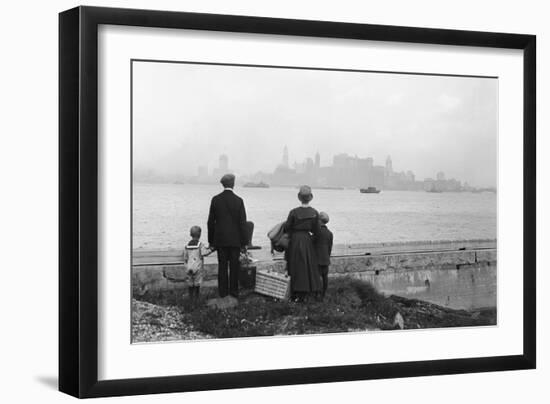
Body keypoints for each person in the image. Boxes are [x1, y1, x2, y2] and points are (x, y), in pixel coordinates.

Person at [207, 174, 248, 298]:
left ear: (222, 184)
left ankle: (223, 293)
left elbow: (210, 222)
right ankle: (234, 293)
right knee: (234, 267)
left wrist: (211, 241)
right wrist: (244, 242)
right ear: (233, 184)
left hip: (220, 240)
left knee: (222, 267)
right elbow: (243, 223)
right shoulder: (239, 201)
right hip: (235, 241)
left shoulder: (215, 199)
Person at [284, 185, 322, 301]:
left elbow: (287, 228)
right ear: (311, 197)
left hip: (295, 240)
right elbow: (317, 231)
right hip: (307, 240)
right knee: (308, 266)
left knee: (294, 265)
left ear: (299, 197)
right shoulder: (315, 212)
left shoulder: (294, 212)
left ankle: (295, 291)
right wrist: (311, 240)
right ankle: (309, 290)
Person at [181, 225, 213, 302]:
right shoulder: (200, 245)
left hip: (189, 267)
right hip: (197, 267)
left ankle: (190, 297)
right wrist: (212, 249)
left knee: (190, 282)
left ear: (190, 234)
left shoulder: (187, 246)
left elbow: (185, 257)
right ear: (200, 235)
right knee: (197, 283)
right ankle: (196, 297)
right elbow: (204, 253)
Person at [315, 212, 333, 300]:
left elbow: (312, 243)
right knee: (325, 277)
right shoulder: (330, 233)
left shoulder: (317, 232)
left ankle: (316, 294)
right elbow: (330, 247)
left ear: (319, 220)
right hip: (325, 258)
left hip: (317, 258)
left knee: (317, 277)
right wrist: (327, 256)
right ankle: (323, 294)